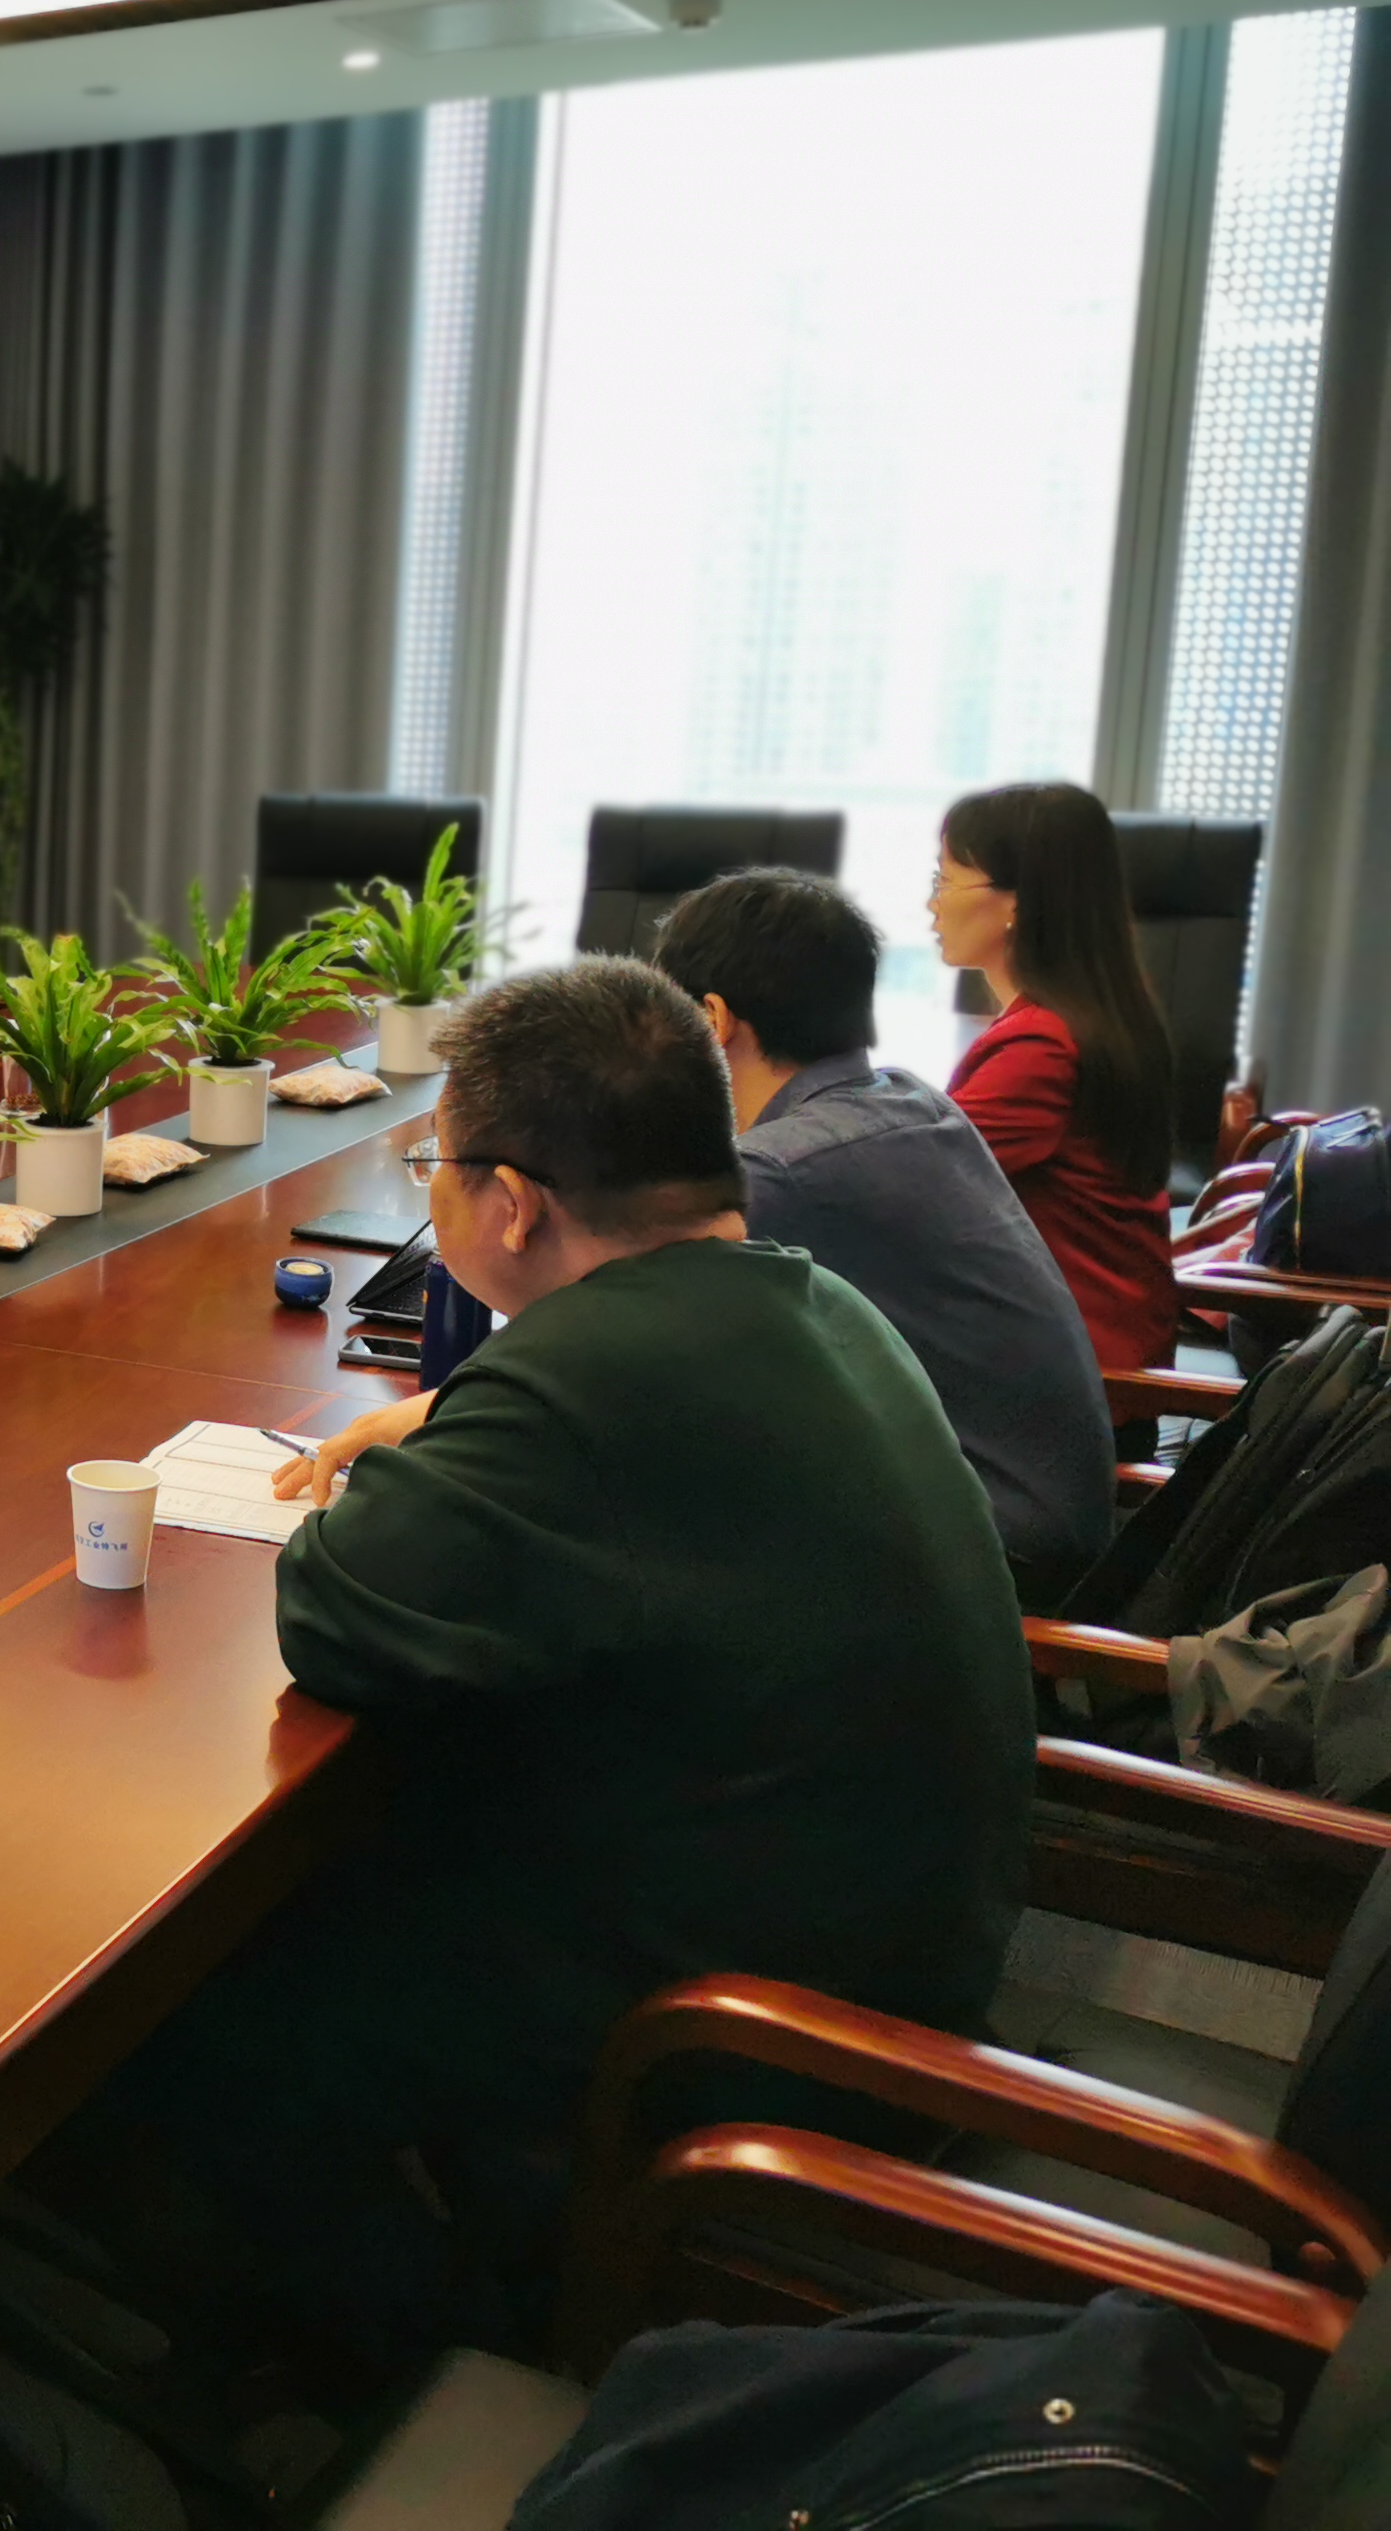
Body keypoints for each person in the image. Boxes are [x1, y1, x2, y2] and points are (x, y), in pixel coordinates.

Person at [96, 960, 1030, 2359]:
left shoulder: (588, 1382)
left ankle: (374, 2359)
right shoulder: (814, 1303)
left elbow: (336, 1611)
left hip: (737, 2043)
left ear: (514, 1204)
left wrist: (453, 1443)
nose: (433, 1194)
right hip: (897, 1965)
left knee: (202, 1988)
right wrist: (461, 1424)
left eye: (437, 1168)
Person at [656, 867, 1114, 1608]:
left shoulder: (780, 1170)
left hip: (996, 1552)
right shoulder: (908, 1100)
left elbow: (618, 1327)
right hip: (1048, 1514)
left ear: (711, 1019)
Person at [931, 783, 1179, 1381]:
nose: (931, 904)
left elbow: (918, 1180)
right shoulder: (1088, 1017)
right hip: (1087, 1349)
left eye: (945, 880)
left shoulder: (1041, 1047)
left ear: (1017, 902)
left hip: (1068, 1382)